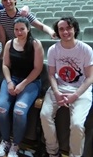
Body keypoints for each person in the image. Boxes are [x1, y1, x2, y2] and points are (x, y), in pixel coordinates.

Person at [40, 16, 93, 157]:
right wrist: (56, 92)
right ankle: (52, 151)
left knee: (76, 125)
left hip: (80, 91)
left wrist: (75, 96)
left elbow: (90, 77)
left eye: (68, 28)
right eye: (61, 29)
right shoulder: (53, 49)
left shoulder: (86, 49)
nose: (65, 32)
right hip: (58, 88)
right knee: (44, 115)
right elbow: (51, 74)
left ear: (74, 29)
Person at [0, 17, 44, 157]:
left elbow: (37, 69)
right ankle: (5, 141)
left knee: (19, 111)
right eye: (16, 29)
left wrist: (22, 85)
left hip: (31, 81)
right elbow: (5, 65)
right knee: (1, 109)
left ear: (28, 29)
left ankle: (15, 145)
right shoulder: (10, 43)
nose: (19, 32)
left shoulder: (35, 44)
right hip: (12, 79)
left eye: (22, 29)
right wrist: (10, 82)